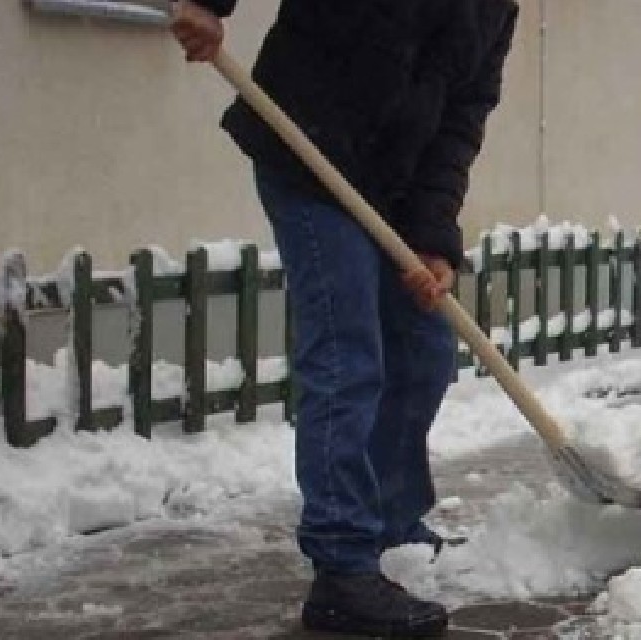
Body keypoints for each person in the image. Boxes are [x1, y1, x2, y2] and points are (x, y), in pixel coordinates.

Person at [171, 0, 518, 636]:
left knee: (424, 347)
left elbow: (460, 125)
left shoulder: (497, 9)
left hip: (391, 185)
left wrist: (432, 241)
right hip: (307, 147)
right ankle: (342, 566)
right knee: (347, 353)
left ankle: (393, 527)